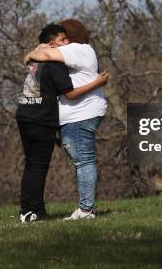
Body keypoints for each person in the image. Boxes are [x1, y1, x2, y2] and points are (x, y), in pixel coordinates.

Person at [16, 23, 108, 223]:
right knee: (38, 166)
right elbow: (70, 93)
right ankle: (34, 213)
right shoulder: (55, 63)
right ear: (52, 43)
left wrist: (34, 51)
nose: (67, 43)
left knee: (32, 165)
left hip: (24, 114)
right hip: (42, 119)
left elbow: (27, 60)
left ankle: (30, 212)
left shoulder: (36, 61)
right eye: (63, 40)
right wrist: (97, 83)